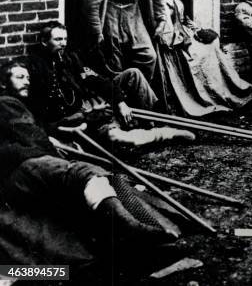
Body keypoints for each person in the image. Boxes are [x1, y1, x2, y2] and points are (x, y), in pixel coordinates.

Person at [0, 59, 177, 247]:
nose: (26, 81)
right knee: (84, 172)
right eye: (20, 77)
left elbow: (41, 130)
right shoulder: (6, 102)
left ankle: (131, 222)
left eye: (27, 77)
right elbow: (31, 134)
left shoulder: (19, 103)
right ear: (3, 82)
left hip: (30, 161)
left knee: (91, 174)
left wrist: (76, 122)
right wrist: (52, 145)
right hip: (22, 164)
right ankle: (130, 225)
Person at [26, 21, 193, 146]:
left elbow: (94, 79)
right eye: (58, 40)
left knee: (133, 74)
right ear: (44, 42)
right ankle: (163, 134)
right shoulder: (35, 67)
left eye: (65, 39)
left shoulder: (71, 57)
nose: (63, 43)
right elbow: (47, 108)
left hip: (87, 106)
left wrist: (119, 100)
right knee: (116, 137)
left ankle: (156, 122)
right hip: (73, 119)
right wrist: (85, 114)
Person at [158, 0, 252, 116]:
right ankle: (221, 95)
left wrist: (193, 28)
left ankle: (232, 91)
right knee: (207, 54)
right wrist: (185, 38)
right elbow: (166, 34)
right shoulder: (162, 4)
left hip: (183, 38)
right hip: (175, 47)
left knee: (213, 45)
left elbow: (181, 21)